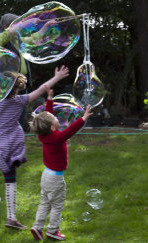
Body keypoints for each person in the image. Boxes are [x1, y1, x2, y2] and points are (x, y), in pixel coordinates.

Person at [0, 65, 69, 230]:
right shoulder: (21, 100)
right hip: (9, 144)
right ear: (16, 88)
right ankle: (11, 217)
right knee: (10, 179)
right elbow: (42, 89)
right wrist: (57, 77)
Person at [29, 87, 93, 241]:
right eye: (55, 119)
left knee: (45, 202)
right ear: (52, 127)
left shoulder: (44, 135)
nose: (56, 118)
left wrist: (50, 99)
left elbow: (47, 117)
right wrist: (83, 118)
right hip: (55, 179)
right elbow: (70, 130)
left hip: (46, 176)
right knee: (57, 205)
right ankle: (53, 230)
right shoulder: (57, 138)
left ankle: (37, 227)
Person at [0, 13, 32, 129]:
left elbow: (34, 38)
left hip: (21, 81)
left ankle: (17, 133)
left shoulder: (18, 39)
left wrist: (46, 27)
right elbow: (1, 39)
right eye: (15, 24)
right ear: (5, 26)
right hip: (8, 82)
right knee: (8, 112)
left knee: (21, 110)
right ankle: (6, 133)